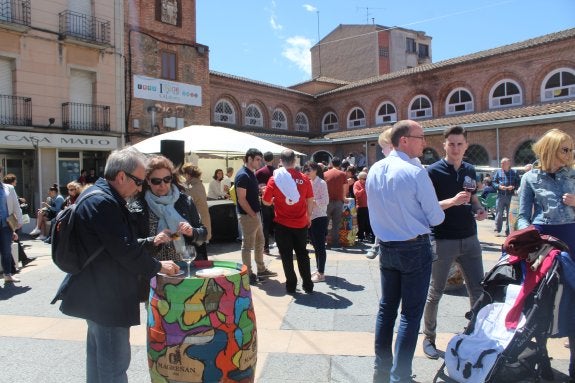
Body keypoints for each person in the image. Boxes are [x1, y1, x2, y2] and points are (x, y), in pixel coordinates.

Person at [57, 147, 181, 383]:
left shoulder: (97, 195)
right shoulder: (104, 203)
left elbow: (115, 244)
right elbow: (123, 250)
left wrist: (148, 243)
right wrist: (158, 266)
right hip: (107, 299)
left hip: (97, 295)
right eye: (139, 181)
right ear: (122, 176)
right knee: (113, 369)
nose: (140, 187)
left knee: (99, 365)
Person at [367, 120, 444, 382]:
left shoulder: (375, 169)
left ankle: (381, 370)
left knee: (386, 309)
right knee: (410, 315)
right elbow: (436, 218)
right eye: (420, 137)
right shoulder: (415, 172)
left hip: (387, 247)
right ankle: (400, 376)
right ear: (404, 141)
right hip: (413, 247)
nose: (425, 142)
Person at [421, 126, 488, 360]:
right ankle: (429, 338)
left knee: (479, 289)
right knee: (435, 292)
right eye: (452, 144)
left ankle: (476, 335)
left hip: (470, 237)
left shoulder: (470, 169)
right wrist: (451, 201)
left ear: (466, 145)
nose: (456, 148)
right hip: (443, 239)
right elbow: (427, 207)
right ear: (444, 145)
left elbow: (474, 198)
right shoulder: (433, 171)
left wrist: (479, 209)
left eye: (460, 144)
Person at [516, 128, 575, 381]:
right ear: (550, 150)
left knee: (572, 301)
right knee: (537, 303)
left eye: (571, 148)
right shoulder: (530, 178)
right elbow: (521, 217)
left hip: (572, 240)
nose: (570, 153)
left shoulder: (573, 174)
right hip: (541, 244)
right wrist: (529, 237)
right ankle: (539, 360)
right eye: (565, 149)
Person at [131, 155, 207, 263]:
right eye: (156, 181)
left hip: (185, 266)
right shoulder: (138, 206)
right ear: (147, 181)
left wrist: (192, 232)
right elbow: (130, 245)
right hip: (153, 270)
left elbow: (203, 233)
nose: (162, 185)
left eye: (167, 179)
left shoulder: (185, 201)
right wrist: (153, 241)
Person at [262, 150, 314, 294]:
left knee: (286, 256)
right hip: (301, 223)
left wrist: (273, 200)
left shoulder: (274, 179)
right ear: (295, 161)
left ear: (281, 161)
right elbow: (310, 200)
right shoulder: (304, 178)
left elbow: (266, 202)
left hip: (282, 224)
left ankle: (291, 285)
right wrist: (308, 216)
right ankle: (308, 285)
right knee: (302, 254)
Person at [235, 148, 277, 285]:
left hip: (254, 214)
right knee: (247, 246)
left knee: (260, 242)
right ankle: (248, 274)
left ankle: (261, 269)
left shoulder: (250, 173)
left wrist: (260, 190)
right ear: (249, 159)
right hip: (248, 215)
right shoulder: (243, 175)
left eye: (260, 159)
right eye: (257, 159)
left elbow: (248, 195)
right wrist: (253, 214)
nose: (260, 162)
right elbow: (241, 199)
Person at [365, 127, 394, 260]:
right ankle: (376, 244)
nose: (382, 151)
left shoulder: (414, 164)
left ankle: (376, 245)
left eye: (384, 147)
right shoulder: (379, 167)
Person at [303, 161, 329, 283]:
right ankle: (319, 269)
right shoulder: (309, 182)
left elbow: (325, 200)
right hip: (311, 217)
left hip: (319, 217)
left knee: (320, 247)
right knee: (316, 246)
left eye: (309, 170)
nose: (306, 172)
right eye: (306, 170)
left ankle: (321, 273)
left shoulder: (321, 183)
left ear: (316, 171)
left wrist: (311, 201)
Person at [3, 173, 35, 268]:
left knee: (13, 240)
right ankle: (17, 262)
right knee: (11, 241)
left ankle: (18, 262)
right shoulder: (8, 189)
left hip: (11, 219)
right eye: (15, 181)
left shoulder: (8, 190)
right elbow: (14, 205)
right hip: (10, 219)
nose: (16, 182)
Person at [181, 163, 211, 260]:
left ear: (188, 174)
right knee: (202, 251)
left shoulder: (192, 188)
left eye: (184, 174)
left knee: (199, 254)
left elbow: (183, 197)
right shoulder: (199, 185)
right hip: (204, 223)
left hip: (199, 225)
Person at [0, 167, 23, 283]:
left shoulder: (8, 188)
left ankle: (8, 275)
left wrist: (19, 221)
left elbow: (15, 206)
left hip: (5, 225)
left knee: (6, 251)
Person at [324, 157, 348, 248]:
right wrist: (344, 197)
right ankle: (335, 243)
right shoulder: (342, 174)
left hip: (327, 201)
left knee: (325, 223)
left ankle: (324, 242)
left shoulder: (325, 173)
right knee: (336, 224)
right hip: (338, 201)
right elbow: (345, 187)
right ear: (340, 164)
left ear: (331, 163)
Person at [492, 157, 519, 237]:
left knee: (509, 214)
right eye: (501, 163)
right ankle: (497, 229)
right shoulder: (498, 172)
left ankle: (508, 231)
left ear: (508, 164)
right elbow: (493, 182)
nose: (502, 165)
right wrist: (499, 186)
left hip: (510, 196)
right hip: (501, 195)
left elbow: (518, 182)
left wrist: (513, 186)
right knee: (499, 213)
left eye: (503, 163)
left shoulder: (514, 172)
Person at [256, 151, 276, 255]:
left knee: (266, 224)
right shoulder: (277, 172)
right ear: (273, 159)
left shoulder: (259, 172)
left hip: (264, 200)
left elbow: (256, 187)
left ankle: (266, 248)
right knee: (278, 224)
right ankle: (280, 247)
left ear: (264, 159)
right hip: (277, 201)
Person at [354, 171, 372, 242]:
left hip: (368, 206)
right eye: (364, 179)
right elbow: (356, 193)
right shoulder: (356, 184)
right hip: (360, 206)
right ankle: (361, 237)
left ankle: (369, 234)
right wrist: (363, 190)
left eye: (366, 178)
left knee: (368, 222)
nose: (365, 180)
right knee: (361, 222)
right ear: (360, 178)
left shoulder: (368, 183)